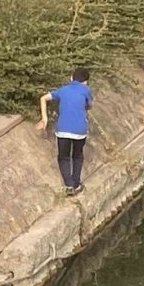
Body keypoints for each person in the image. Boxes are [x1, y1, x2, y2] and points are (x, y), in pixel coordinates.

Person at [37, 67, 92, 196]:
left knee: (63, 157)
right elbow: (90, 105)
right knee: (77, 156)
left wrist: (44, 119)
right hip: (80, 130)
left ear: (71, 78)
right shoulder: (86, 90)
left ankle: (69, 185)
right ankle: (77, 184)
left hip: (63, 130)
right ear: (86, 82)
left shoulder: (63, 90)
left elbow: (43, 98)